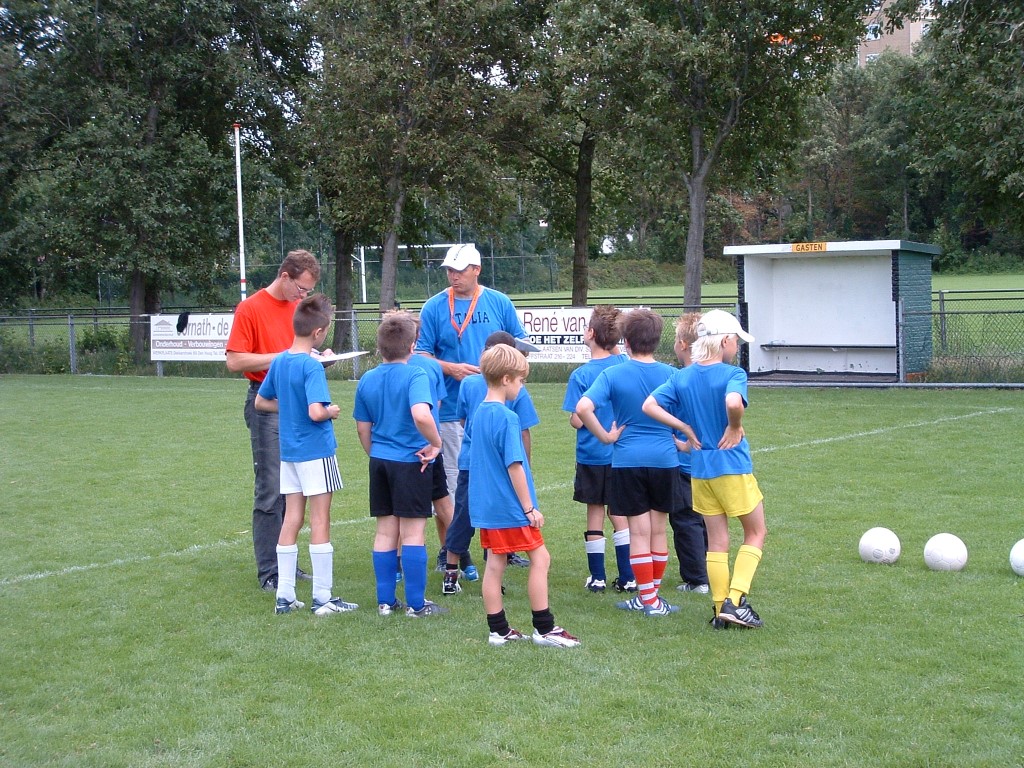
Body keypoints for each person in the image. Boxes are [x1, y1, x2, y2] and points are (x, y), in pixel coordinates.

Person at [643, 309, 766, 629]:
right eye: (736, 340)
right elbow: (733, 403)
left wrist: (685, 428)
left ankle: (719, 608)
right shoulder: (732, 374)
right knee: (756, 532)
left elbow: (649, 406)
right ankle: (735, 600)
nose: (737, 346)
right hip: (732, 465)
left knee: (717, 541)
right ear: (724, 341)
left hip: (700, 470)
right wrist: (735, 426)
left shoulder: (681, 376)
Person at [576, 308, 698, 617]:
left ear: (626, 341)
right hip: (665, 460)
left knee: (639, 533)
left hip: (627, 461)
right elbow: (689, 413)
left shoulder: (613, 374)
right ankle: (650, 598)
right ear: (657, 341)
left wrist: (606, 437)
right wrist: (684, 443)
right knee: (658, 531)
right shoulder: (672, 375)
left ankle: (648, 600)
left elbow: (583, 407)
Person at [469, 344, 580, 648]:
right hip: (510, 508)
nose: (522, 385)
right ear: (506, 379)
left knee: (495, 563)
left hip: (489, 507)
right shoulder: (507, 417)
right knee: (541, 558)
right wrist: (529, 508)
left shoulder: (479, 413)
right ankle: (544, 628)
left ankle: (499, 630)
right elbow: (515, 465)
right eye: (521, 380)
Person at [254, 294, 357, 616]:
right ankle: (322, 598)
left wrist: (291, 407)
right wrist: (331, 411)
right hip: (316, 450)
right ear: (318, 332)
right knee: (320, 519)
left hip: (290, 452)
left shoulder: (280, 361)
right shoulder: (312, 366)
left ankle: (284, 596)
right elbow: (316, 412)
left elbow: (261, 402)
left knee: (292, 519)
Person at [226, 249, 322, 592]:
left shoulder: (298, 308)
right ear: (284, 276)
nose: (303, 295)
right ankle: (269, 571)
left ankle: (288, 566)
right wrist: (282, 358)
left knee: (293, 489)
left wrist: (317, 357)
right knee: (270, 489)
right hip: (265, 401)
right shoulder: (251, 308)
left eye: (308, 291)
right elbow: (235, 361)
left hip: (297, 401)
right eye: (301, 288)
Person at [414, 243, 529, 504]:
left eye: (459, 271)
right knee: (456, 483)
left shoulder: (499, 302)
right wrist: (450, 368)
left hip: (498, 407)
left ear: (477, 269)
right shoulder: (433, 306)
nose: (453, 276)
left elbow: (520, 345)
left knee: (500, 477)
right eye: (449, 271)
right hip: (452, 409)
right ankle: (457, 532)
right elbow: (420, 355)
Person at [354, 311, 447, 618]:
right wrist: (436, 443)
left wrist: (375, 453)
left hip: (380, 461)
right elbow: (421, 414)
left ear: (379, 347)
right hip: (411, 462)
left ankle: (385, 602)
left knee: (385, 533)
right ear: (412, 346)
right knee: (413, 534)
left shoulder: (367, 378)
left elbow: (363, 428)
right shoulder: (415, 375)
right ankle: (417, 605)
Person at [442, 331, 540, 596]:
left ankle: (450, 573)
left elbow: (463, 420)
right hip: (500, 465)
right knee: (497, 516)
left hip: (470, 462)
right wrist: (526, 466)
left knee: (463, 515)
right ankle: (495, 571)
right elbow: (523, 431)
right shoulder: (513, 393)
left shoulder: (469, 384)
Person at [561, 305, 636, 593]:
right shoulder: (623, 366)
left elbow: (577, 419)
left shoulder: (581, 375)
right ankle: (628, 577)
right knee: (619, 514)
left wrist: (577, 417)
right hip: (620, 454)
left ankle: (598, 577)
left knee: (595, 511)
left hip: (591, 454)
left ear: (591, 333)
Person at [405, 315, 455, 574]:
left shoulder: (381, 371)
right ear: (415, 340)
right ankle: (460, 558)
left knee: (400, 512)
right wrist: (434, 440)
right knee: (443, 503)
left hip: (397, 451)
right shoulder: (430, 366)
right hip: (429, 446)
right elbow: (436, 405)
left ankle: (399, 566)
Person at [668, 312, 710, 595]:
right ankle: (711, 570)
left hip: (685, 461)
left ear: (683, 344)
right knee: (709, 517)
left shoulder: (680, 380)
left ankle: (697, 579)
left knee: (686, 519)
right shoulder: (716, 375)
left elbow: (657, 408)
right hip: (713, 461)